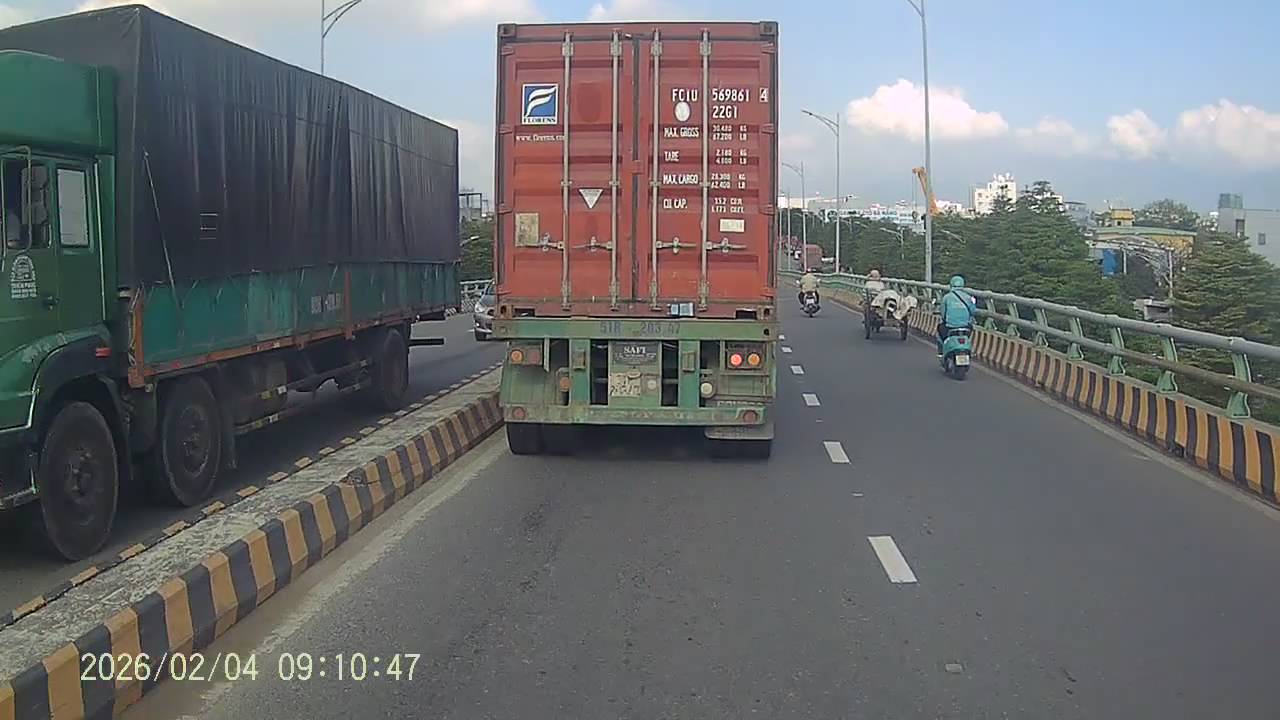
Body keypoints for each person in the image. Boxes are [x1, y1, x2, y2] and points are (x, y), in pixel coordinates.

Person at [936, 275, 977, 355]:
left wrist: (945, 319)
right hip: (965, 326)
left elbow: (943, 313)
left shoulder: (946, 297)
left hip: (950, 326)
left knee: (940, 330)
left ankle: (941, 353)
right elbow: (972, 311)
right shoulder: (968, 297)